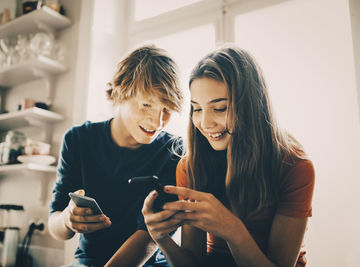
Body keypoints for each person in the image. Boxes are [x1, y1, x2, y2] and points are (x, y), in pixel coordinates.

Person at [142, 46, 315, 267]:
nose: (205, 123)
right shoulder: (191, 166)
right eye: (197, 109)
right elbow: (192, 262)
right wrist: (161, 238)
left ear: (251, 107)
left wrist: (232, 230)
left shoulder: (294, 166)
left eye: (220, 108)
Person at [48, 45, 184, 267]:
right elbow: (56, 228)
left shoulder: (175, 151)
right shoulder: (78, 140)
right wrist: (67, 219)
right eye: (146, 105)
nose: (157, 121)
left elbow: (150, 235)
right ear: (120, 94)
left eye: (166, 109)